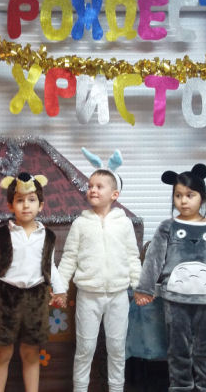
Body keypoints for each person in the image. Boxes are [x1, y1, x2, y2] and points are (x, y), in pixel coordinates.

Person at [134, 164, 206, 392]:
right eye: (178, 195)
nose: (183, 201)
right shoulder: (167, 227)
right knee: (177, 350)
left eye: (190, 195)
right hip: (175, 299)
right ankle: (181, 387)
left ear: (202, 197)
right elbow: (154, 259)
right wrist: (145, 288)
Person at [57, 148, 141, 392]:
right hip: (88, 295)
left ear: (114, 194)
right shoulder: (80, 223)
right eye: (90, 186)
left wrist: (139, 286)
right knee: (85, 349)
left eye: (99, 186)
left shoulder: (124, 223)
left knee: (117, 349)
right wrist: (60, 288)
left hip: (118, 296)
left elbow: (132, 257)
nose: (92, 190)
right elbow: (69, 258)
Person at [0, 172, 68, 392]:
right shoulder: (1, 235)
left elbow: (50, 266)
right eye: (20, 200)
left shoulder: (47, 236)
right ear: (10, 204)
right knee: (2, 352)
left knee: (31, 353)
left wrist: (60, 290)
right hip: (7, 298)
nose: (26, 205)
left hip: (36, 299)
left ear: (41, 205)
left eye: (32, 200)